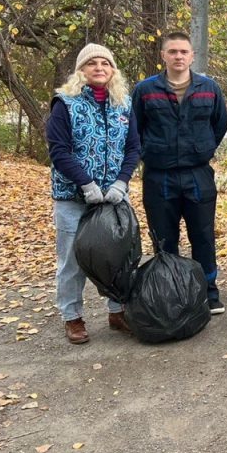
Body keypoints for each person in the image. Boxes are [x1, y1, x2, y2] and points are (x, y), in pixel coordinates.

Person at [46, 43, 141, 344]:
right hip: (73, 198)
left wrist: (121, 182)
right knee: (72, 260)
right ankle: (72, 316)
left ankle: (117, 311)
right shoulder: (65, 103)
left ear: (113, 70)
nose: (99, 68)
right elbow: (59, 151)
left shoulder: (123, 103)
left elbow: (133, 147)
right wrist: (86, 184)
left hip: (113, 197)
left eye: (105, 63)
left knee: (118, 257)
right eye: (92, 63)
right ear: (81, 70)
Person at [132, 31, 227, 315]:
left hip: (198, 174)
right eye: (172, 51)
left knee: (203, 236)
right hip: (159, 176)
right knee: (164, 239)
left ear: (192, 56)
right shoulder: (145, 90)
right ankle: (171, 295)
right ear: (163, 55)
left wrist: (203, 148)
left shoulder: (209, 88)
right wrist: (150, 152)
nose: (178, 56)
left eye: (183, 52)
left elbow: (219, 125)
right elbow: (135, 129)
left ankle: (208, 293)